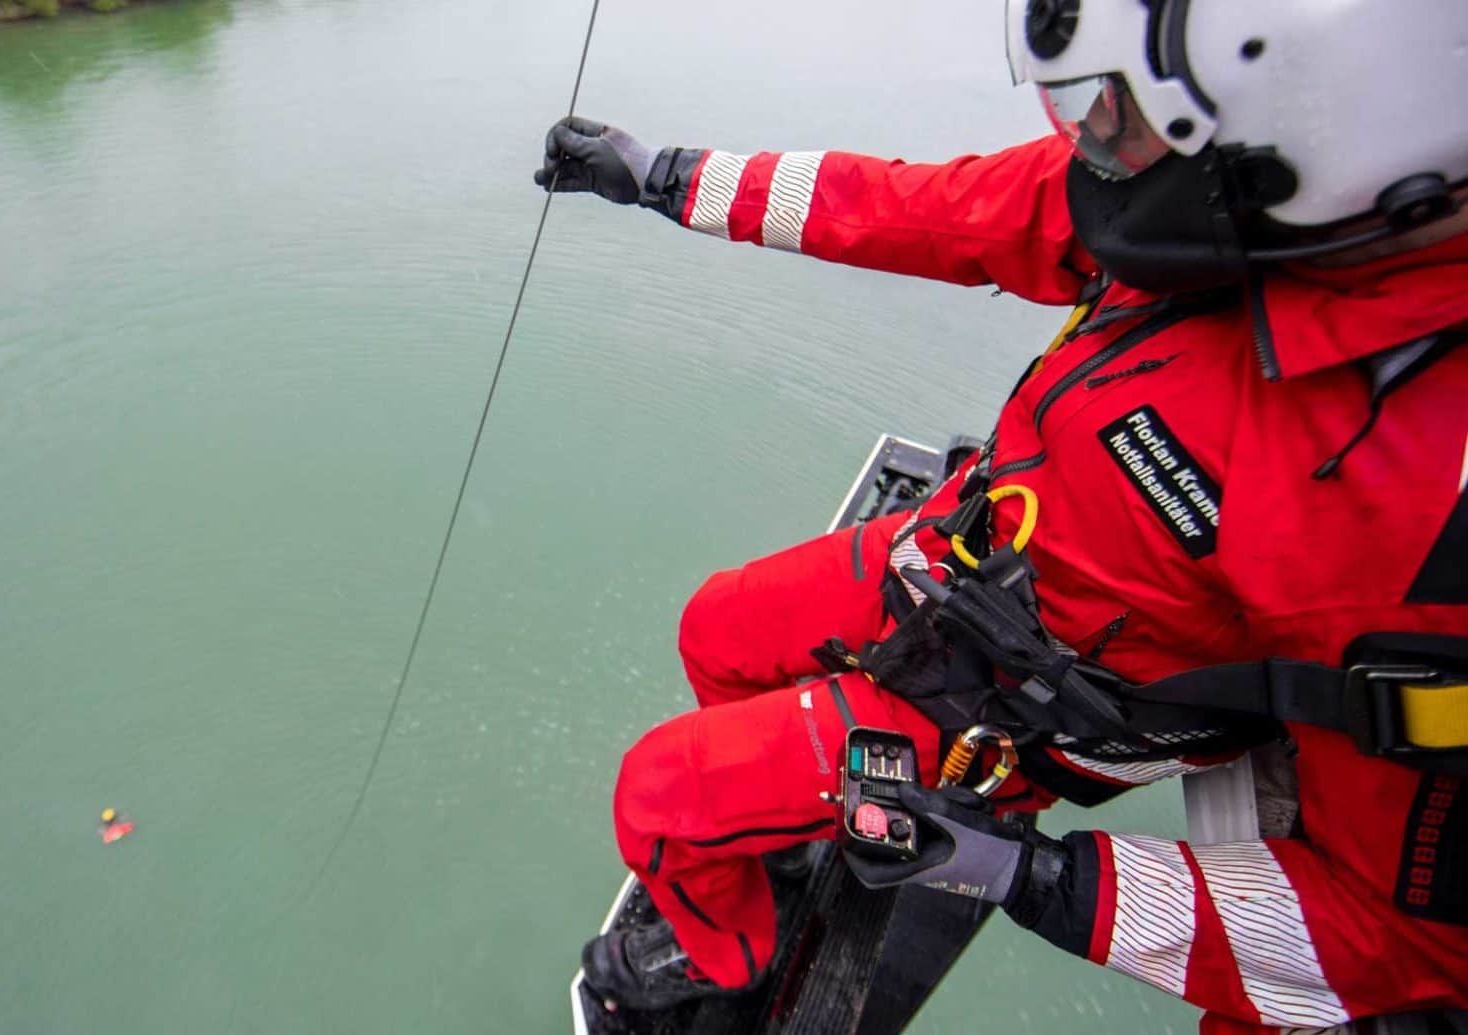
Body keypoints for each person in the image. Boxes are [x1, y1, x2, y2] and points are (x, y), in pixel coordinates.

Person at [538, 1, 1468, 1031]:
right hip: (962, 564)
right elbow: (924, 207)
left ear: (1314, 137)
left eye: (1116, 114)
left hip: (1030, 706)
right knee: (715, 628)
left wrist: (1029, 874)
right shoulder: (1189, 199)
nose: (1090, 144)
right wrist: (667, 176)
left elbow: (1398, 943)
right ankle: (787, 814)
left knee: (659, 795)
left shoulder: (1414, 505)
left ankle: (725, 960)